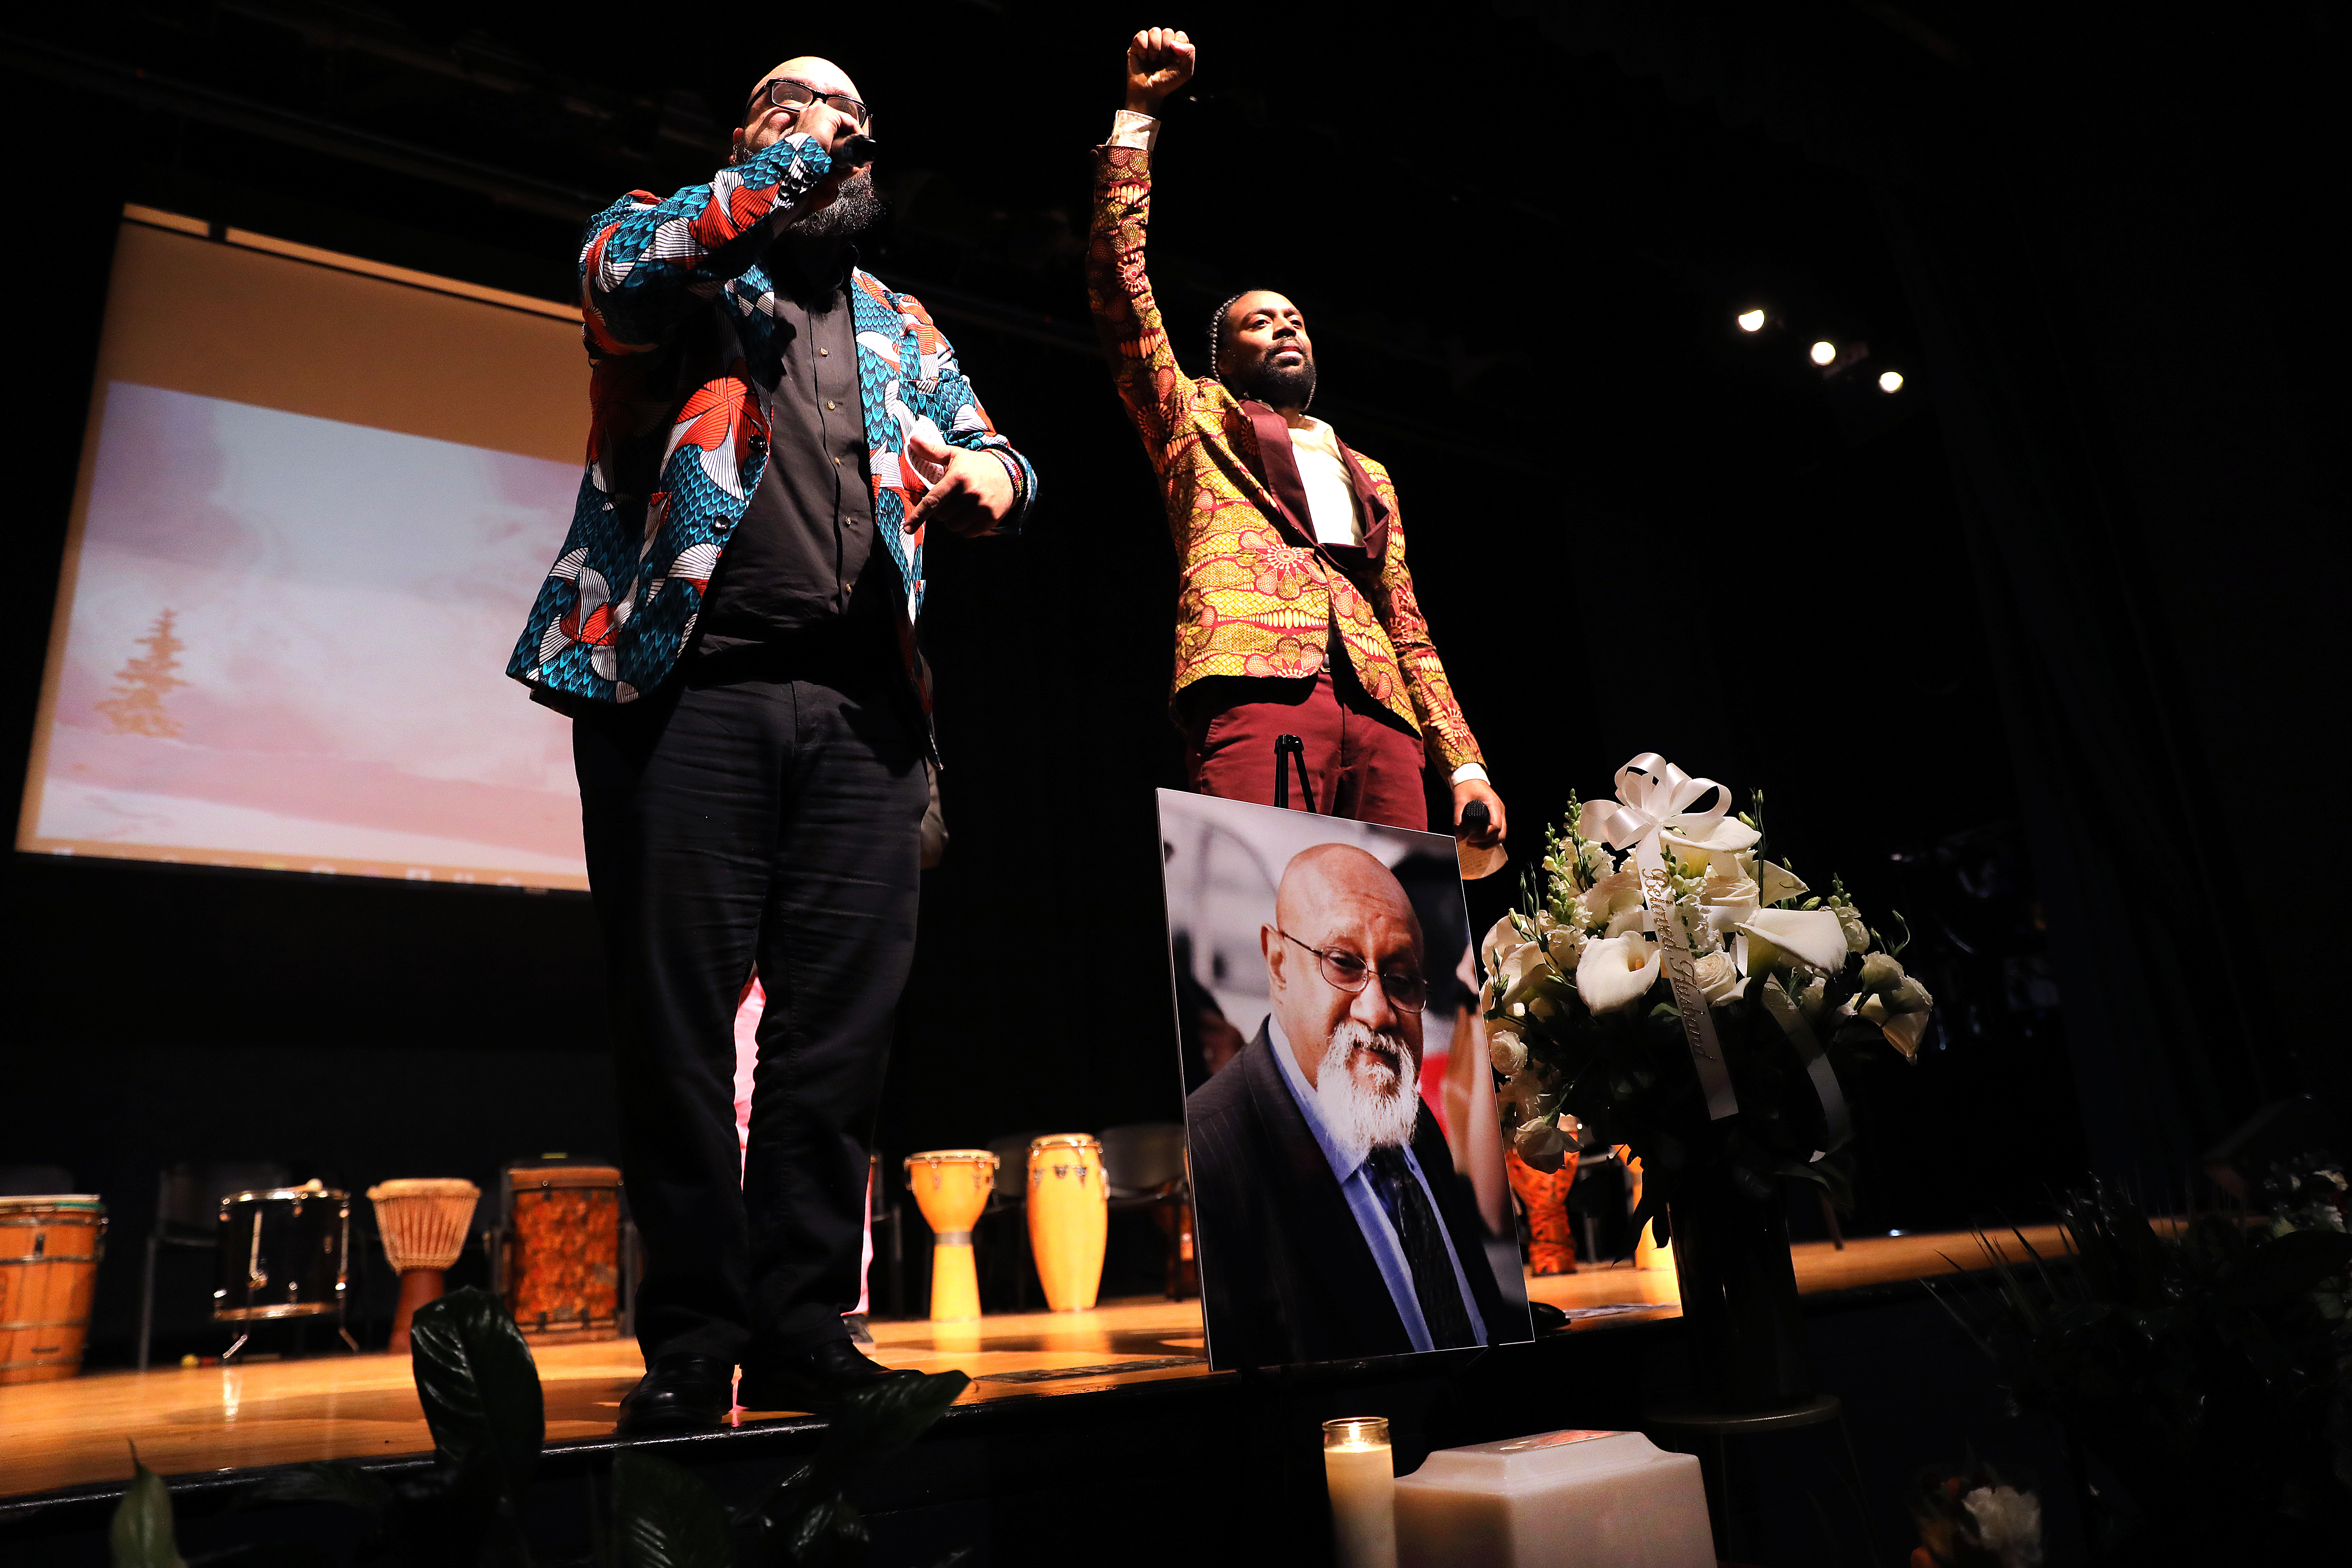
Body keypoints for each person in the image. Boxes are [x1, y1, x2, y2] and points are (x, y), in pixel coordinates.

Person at [506, 55, 1035, 1431]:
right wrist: (804, 148)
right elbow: (625, 278)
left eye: (846, 120)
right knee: (678, 1029)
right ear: (746, 138)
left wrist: (989, 478)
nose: (823, 131)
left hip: (867, 711)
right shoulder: (673, 258)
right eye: (787, 110)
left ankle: (801, 1327)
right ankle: (691, 1337)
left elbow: (995, 444)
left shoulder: (898, 322)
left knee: (835, 1038)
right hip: (695, 696)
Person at [1086, 28, 1508, 848]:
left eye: (1296, 319)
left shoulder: (1369, 471)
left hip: (1382, 707)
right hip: (1257, 681)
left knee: (1399, 937)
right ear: (1223, 353)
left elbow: (1408, 620)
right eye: (1259, 320)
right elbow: (1121, 283)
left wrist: (1466, 764)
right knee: (1263, 919)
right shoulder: (1193, 417)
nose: (1284, 326)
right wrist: (1140, 116)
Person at [1184, 844, 1526, 1368]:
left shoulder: (1408, 1122)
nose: (1377, 1011)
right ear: (1278, 963)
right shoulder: (1212, 1157)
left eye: (1401, 979)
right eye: (1343, 964)